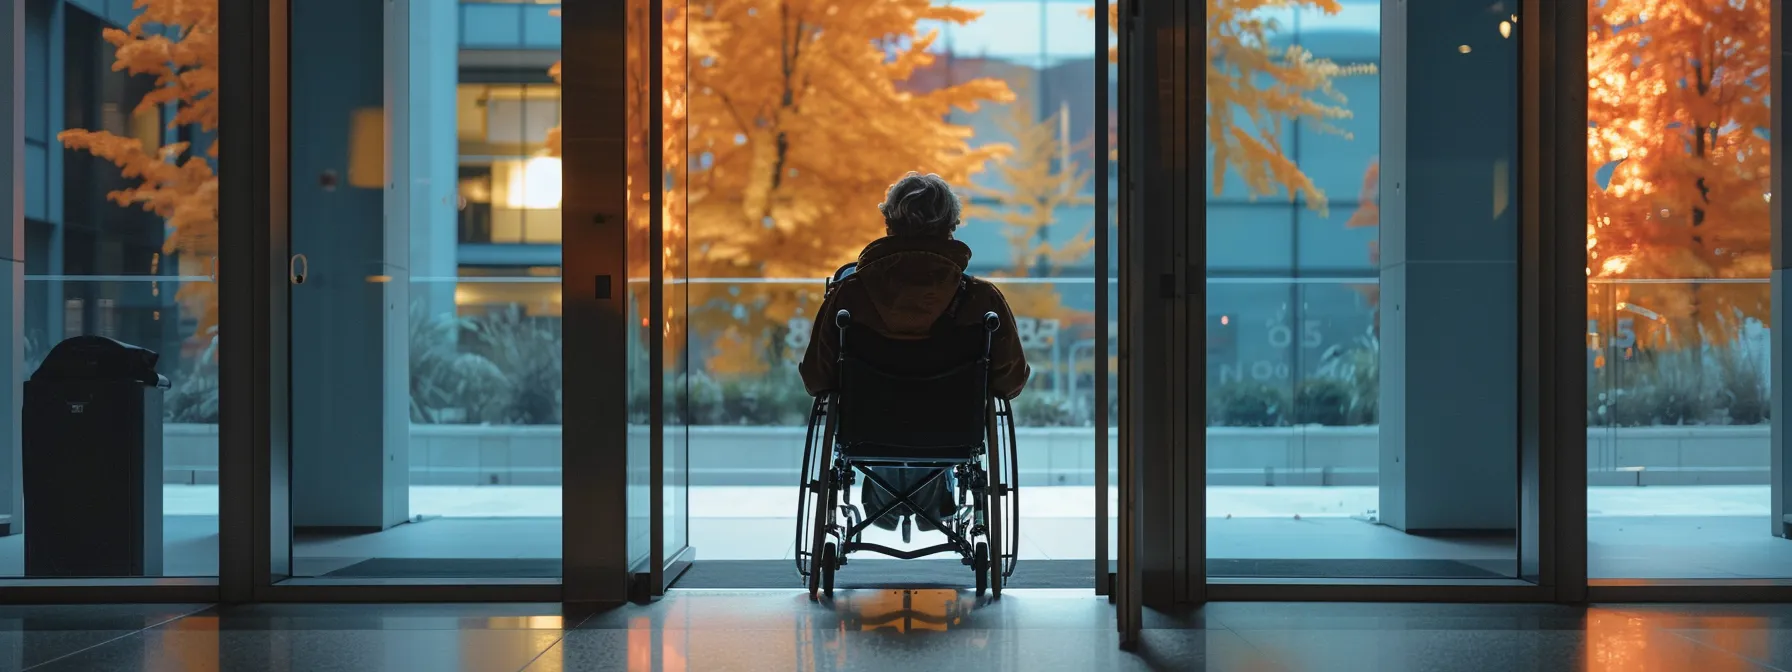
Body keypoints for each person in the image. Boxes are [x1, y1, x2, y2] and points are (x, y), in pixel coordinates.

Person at [798, 172, 1029, 534]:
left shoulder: (849, 296)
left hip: (867, 426)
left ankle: (885, 503)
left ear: (889, 224)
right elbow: (1010, 381)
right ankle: (936, 500)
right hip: (952, 429)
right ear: (952, 226)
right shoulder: (981, 300)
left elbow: (816, 378)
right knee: (940, 424)